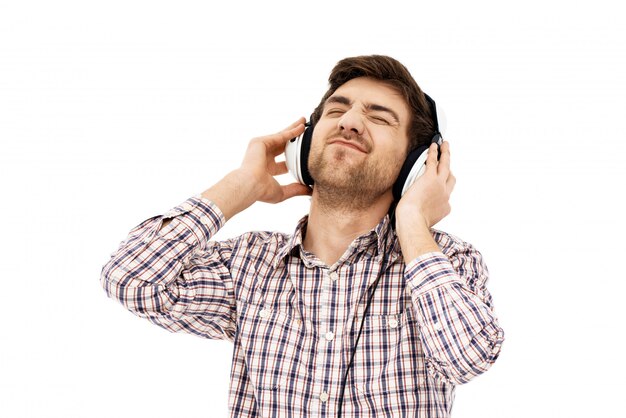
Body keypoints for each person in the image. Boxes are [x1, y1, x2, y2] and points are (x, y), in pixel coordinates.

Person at [101, 55, 504, 417]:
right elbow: (130, 280)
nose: (349, 122)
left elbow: (468, 358)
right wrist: (240, 184)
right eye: (337, 110)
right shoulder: (247, 263)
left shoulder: (446, 260)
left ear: (415, 164)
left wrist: (413, 220)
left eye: (379, 117)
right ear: (304, 143)